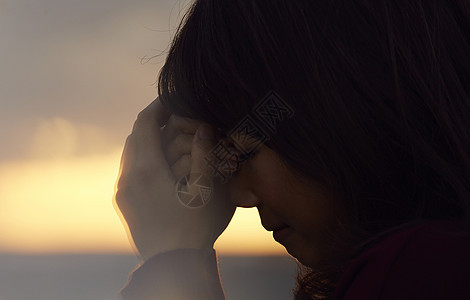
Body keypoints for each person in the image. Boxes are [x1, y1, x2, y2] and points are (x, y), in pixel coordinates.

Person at [113, 0, 470, 299]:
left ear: (347, 105)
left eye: (248, 150)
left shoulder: (422, 269)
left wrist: (173, 258)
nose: (239, 195)